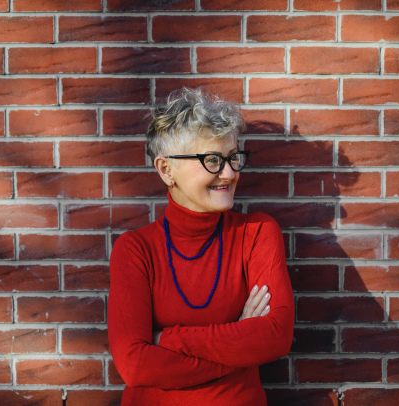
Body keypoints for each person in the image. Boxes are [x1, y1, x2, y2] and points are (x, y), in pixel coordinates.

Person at [107, 87, 294, 405]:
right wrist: (239, 338)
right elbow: (135, 366)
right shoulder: (136, 250)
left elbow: (275, 336)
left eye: (233, 157)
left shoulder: (257, 233)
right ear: (167, 170)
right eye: (212, 160)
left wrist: (168, 339)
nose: (230, 172)